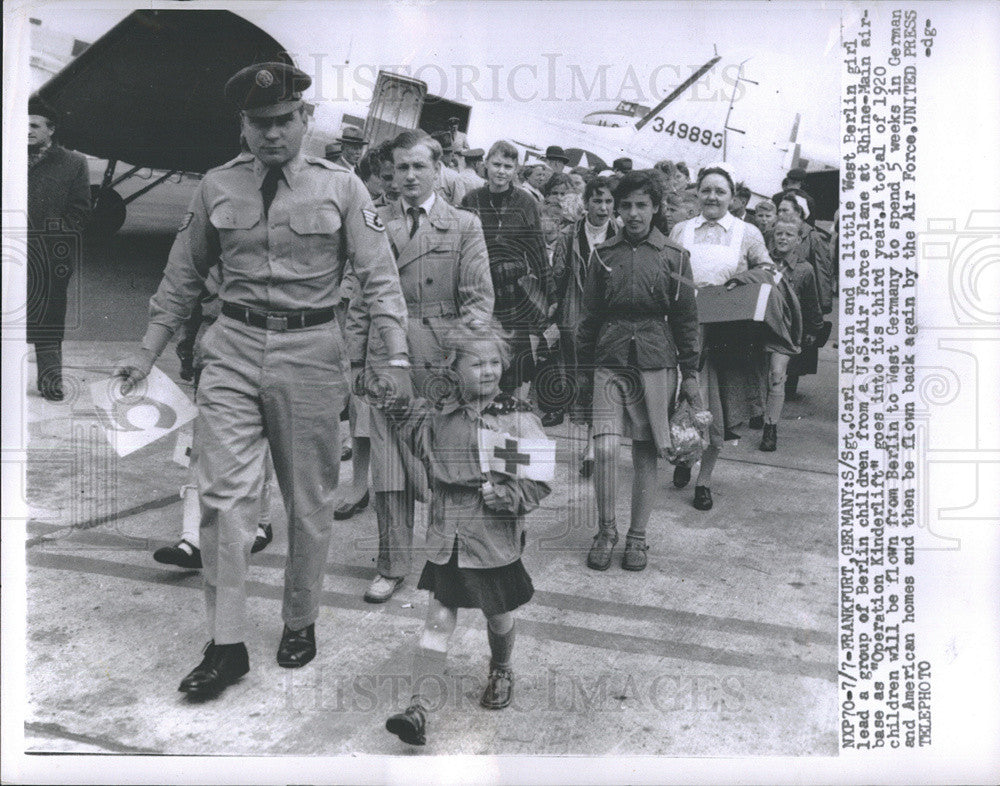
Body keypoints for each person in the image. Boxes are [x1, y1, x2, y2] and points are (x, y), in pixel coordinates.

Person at [114, 62, 410, 699]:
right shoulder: (217, 187)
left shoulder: (344, 188)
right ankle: (225, 645)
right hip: (233, 349)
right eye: (259, 123)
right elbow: (181, 279)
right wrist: (146, 355)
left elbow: (381, 280)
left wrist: (395, 359)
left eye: (284, 121)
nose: (272, 134)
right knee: (224, 501)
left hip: (311, 351)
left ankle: (299, 619)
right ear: (242, 126)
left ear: (305, 119)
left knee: (308, 500)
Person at [358, 321, 550, 745]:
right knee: (439, 617)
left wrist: (509, 493)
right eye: (477, 363)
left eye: (495, 362)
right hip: (448, 540)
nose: (488, 370)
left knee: (498, 615)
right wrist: (382, 385)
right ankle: (418, 708)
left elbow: (537, 478)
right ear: (454, 368)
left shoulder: (513, 421)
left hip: (492, 541)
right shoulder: (438, 417)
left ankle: (500, 669)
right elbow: (404, 415)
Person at [347, 130, 494, 604]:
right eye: (400, 168)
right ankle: (391, 565)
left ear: (437, 169)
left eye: (418, 167)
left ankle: (444, 559)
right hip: (385, 361)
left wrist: (463, 360)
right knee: (389, 471)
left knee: (442, 465)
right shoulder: (373, 221)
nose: (409, 176)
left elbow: (478, 300)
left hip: (440, 362)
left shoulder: (465, 224)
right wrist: (353, 359)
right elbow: (360, 296)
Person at [576, 171, 701, 571]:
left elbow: (685, 319)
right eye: (625, 204)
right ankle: (606, 529)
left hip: (655, 360)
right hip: (609, 360)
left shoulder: (675, 257)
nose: (632, 213)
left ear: (656, 208)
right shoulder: (602, 255)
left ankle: (637, 537)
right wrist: (581, 371)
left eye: (641, 205)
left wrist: (691, 372)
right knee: (607, 448)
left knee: (647, 452)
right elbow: (589, 317)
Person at [669, 164, 775, 511]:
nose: (712, 196)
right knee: (681, 404)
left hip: (724, 336)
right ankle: (684, 457)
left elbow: (768, 271)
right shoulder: (681, 230)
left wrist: (737, 285)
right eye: (706, 190)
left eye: (720, 191)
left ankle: (705, 480)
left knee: (714, 411)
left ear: (732, 197)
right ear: (697, 193)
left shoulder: (747, 233)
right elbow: (666, 273)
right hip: (682, 333)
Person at [156, 269, 277, 568]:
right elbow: (191, 298)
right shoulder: (209, 244)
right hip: (213, 350)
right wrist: (187, 350)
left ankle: (261, 521)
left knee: (261, 441)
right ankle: (191, 539)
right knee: (200, 446)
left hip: (263, 348)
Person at [461, 140, 552, 398]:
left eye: (508, 166)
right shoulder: (471, 199)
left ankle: (505, 425)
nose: (501, 171)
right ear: (486, 165)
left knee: (510, 366)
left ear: (516, 170)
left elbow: (537, 250)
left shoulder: (525, 203)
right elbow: (460, 247)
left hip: (512, 293)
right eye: (497, 164)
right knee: (477, 359)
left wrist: (551, 295)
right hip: (477, 290)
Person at [27, 96, 91, 401]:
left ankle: (50, 380)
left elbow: (79, 211)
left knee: (48, 319)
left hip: (50, 256)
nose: (27, 130)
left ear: (51, 129)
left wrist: (56, 238)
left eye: (34, 125)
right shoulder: (7, 155)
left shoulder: (73, 163)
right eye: (22, 124)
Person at [551, 176, 616, 471]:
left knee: (602, 381)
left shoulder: (620, 235)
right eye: (597, 201)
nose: (603, 208)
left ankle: (592, 447)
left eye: (608, 202)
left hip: (608, 319)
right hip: (576, 316)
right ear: (586, 202)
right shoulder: (570, 235)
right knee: (580, 381)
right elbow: (558, 278)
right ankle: (588, 441)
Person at [756, 218, 823, 451]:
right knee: (758, 375)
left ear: (798, 240)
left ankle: (770, 428)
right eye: (779, 234)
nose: (783, 238)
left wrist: (813, 330)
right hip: (759, 328)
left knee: (777, 374)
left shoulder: (805, 270)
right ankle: (758, 411)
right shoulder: (761, 263)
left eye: (789, 235)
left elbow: (811, 303)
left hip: (784, 332)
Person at [775, 191, 834, 315]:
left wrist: (823, 307)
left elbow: (822, 273)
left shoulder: (814, 238)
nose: (780, 214)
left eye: (785, 210)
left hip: (803, 304)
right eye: (779, 210)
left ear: (799, 212)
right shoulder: (774, 234)